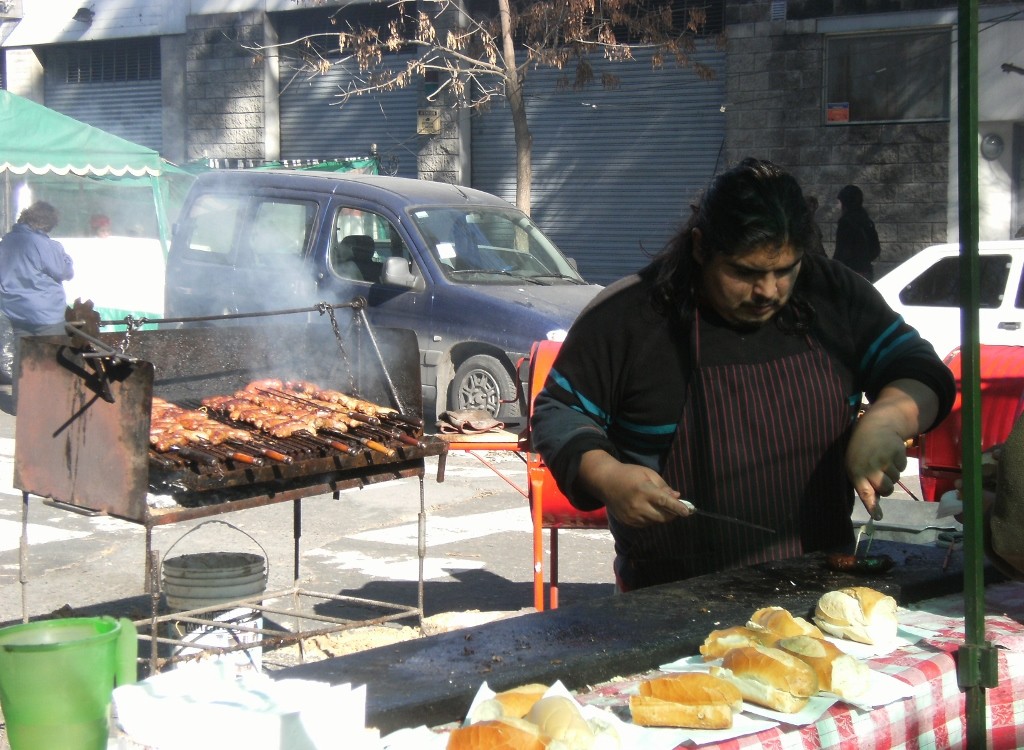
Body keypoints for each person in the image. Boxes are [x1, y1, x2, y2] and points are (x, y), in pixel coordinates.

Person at [530, 158, 956, 591]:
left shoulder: (833, 295)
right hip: (670, 602)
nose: (768, 291)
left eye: (785, 270)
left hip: (821, 588)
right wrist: (606, 475)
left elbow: (919, 368)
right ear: (700, 247)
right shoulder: (632, 317)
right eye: (745, 273)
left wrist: (886, 422)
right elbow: (558, 412)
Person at [0, 201, 75, 407]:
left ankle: (20, 404)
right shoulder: (45, 245)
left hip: (16, 311)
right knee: (53, 357)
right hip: (46, 313)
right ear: (47, 223)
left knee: (22, 358)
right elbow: (65, 272)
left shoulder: (7, 241)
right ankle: (50, 404)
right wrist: (66, 258)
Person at [833, 184, 880, 280]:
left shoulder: (846, 223)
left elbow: (842, 251)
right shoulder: (866, 221)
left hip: (850, 274)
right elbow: (875, 249)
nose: (838, 206)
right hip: (866, 271)